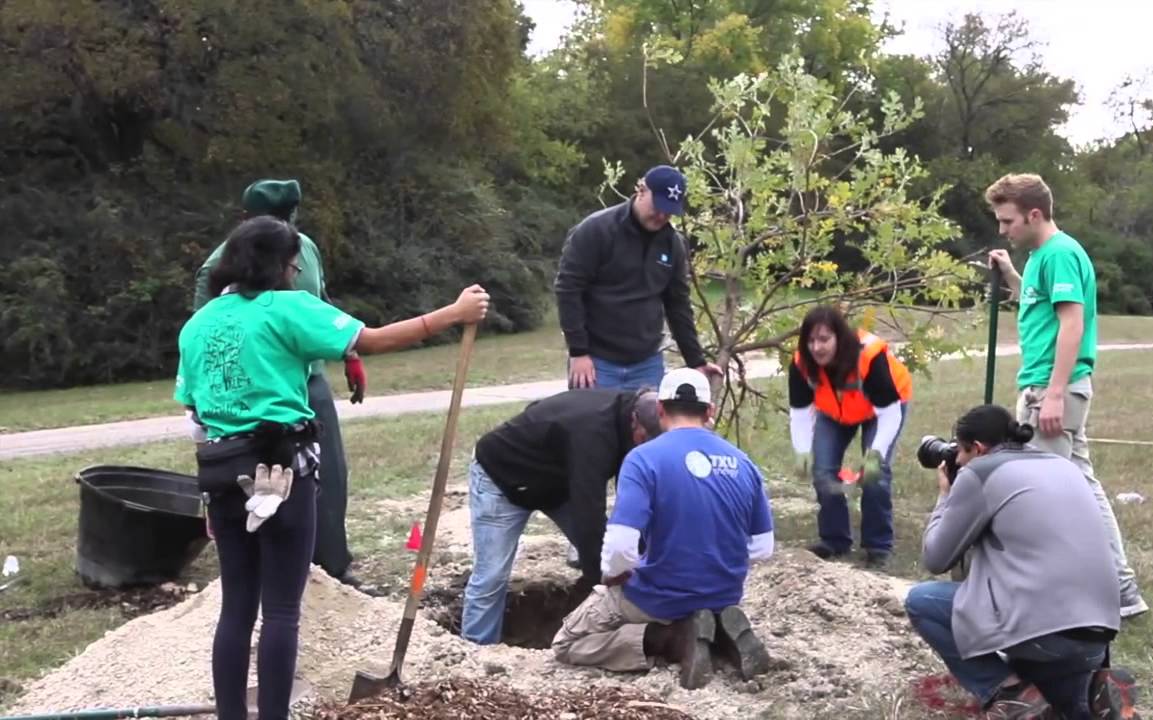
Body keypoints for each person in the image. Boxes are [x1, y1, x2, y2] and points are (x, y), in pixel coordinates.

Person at [176, 216, 488, 720]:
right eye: (294, 264)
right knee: (280, 609)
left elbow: (194, 414)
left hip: (219, 471)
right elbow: (374, 339)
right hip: (279, 470)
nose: (296, 272)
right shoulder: (290, 308)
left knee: (236, 609)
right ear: (279, 265)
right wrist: (453, 313)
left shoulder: (200, 323)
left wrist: (210, 499)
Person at [193, 178, 374, 593]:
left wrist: (350, 354)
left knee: (328, 472)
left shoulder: (303, 249)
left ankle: (332, 569)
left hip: (307, 377)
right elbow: (204, 336)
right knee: (261, 477)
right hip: (252, 393)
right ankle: (272, 570)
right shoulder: (218, 267)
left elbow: (322, 307)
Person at [905, 404, 1139, 720]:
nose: (955, 460)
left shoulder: (980, 472)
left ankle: (1008, 696)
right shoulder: (1062, 465)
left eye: (959, 451)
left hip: (1043, 632)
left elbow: (936, 558)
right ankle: (1094, 696)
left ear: (977, 448)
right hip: (1098, 631)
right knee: (1061, 706)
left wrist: (946, 495)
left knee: (923, 601)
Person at [985, 172, 1147, 618]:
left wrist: (1054, 394)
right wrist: (1011, 276)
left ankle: (1059, 596)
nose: (1003, 229)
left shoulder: (1060, 253)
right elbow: (1037, 303)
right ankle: (1121, 588)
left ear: (1034, 214)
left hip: (1051, 388)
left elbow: (1072, 323)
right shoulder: (1040, 256)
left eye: (1008, 220)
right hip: (1043, 383)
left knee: (1048, 496)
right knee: (1081, 489)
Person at [551, 368, 775, 690]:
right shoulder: (743, 462)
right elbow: (763, 547)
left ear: (660, 410)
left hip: (659, 599)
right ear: (709, 412)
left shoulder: (643, 460)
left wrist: (613, 574)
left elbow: (621, 547)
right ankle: (720, 634)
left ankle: (669, 638)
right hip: (724, 593)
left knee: (567, 643)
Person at [460, 387, 664, 645]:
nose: (646, 446)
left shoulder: (628, 420)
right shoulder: (592, 435)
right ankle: (475, 650)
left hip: (557, 482)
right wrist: (597, 578)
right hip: (502, 478)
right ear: (634, 419)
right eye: (645, 438)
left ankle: (628, 624)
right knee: (492, 575)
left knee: (617, 556)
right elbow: (588, 510)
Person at [554, 164, 722, 392]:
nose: (662, 215)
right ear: (641, 191)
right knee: (592, 427)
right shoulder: (596, 230)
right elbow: (568, 289)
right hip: (596, 362)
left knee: (647, 427)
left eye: (669, 210)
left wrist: (696, 362)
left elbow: (678, 305)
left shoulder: (673, 245)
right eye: (658, 206)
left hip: (647, 364)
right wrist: (578, 352)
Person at [788, 305, 912, 568]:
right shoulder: (801, 363)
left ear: (839, 338)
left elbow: (889, 415)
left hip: (883, 410)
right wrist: (802, 452)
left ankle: (878, 546)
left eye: (824, 339)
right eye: (810, 340)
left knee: (874, 476)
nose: (817, 348)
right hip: (834, 413)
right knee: (822, 473)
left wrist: (875, 453)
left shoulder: (868, 356)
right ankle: (834, 540)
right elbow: (799, 413)